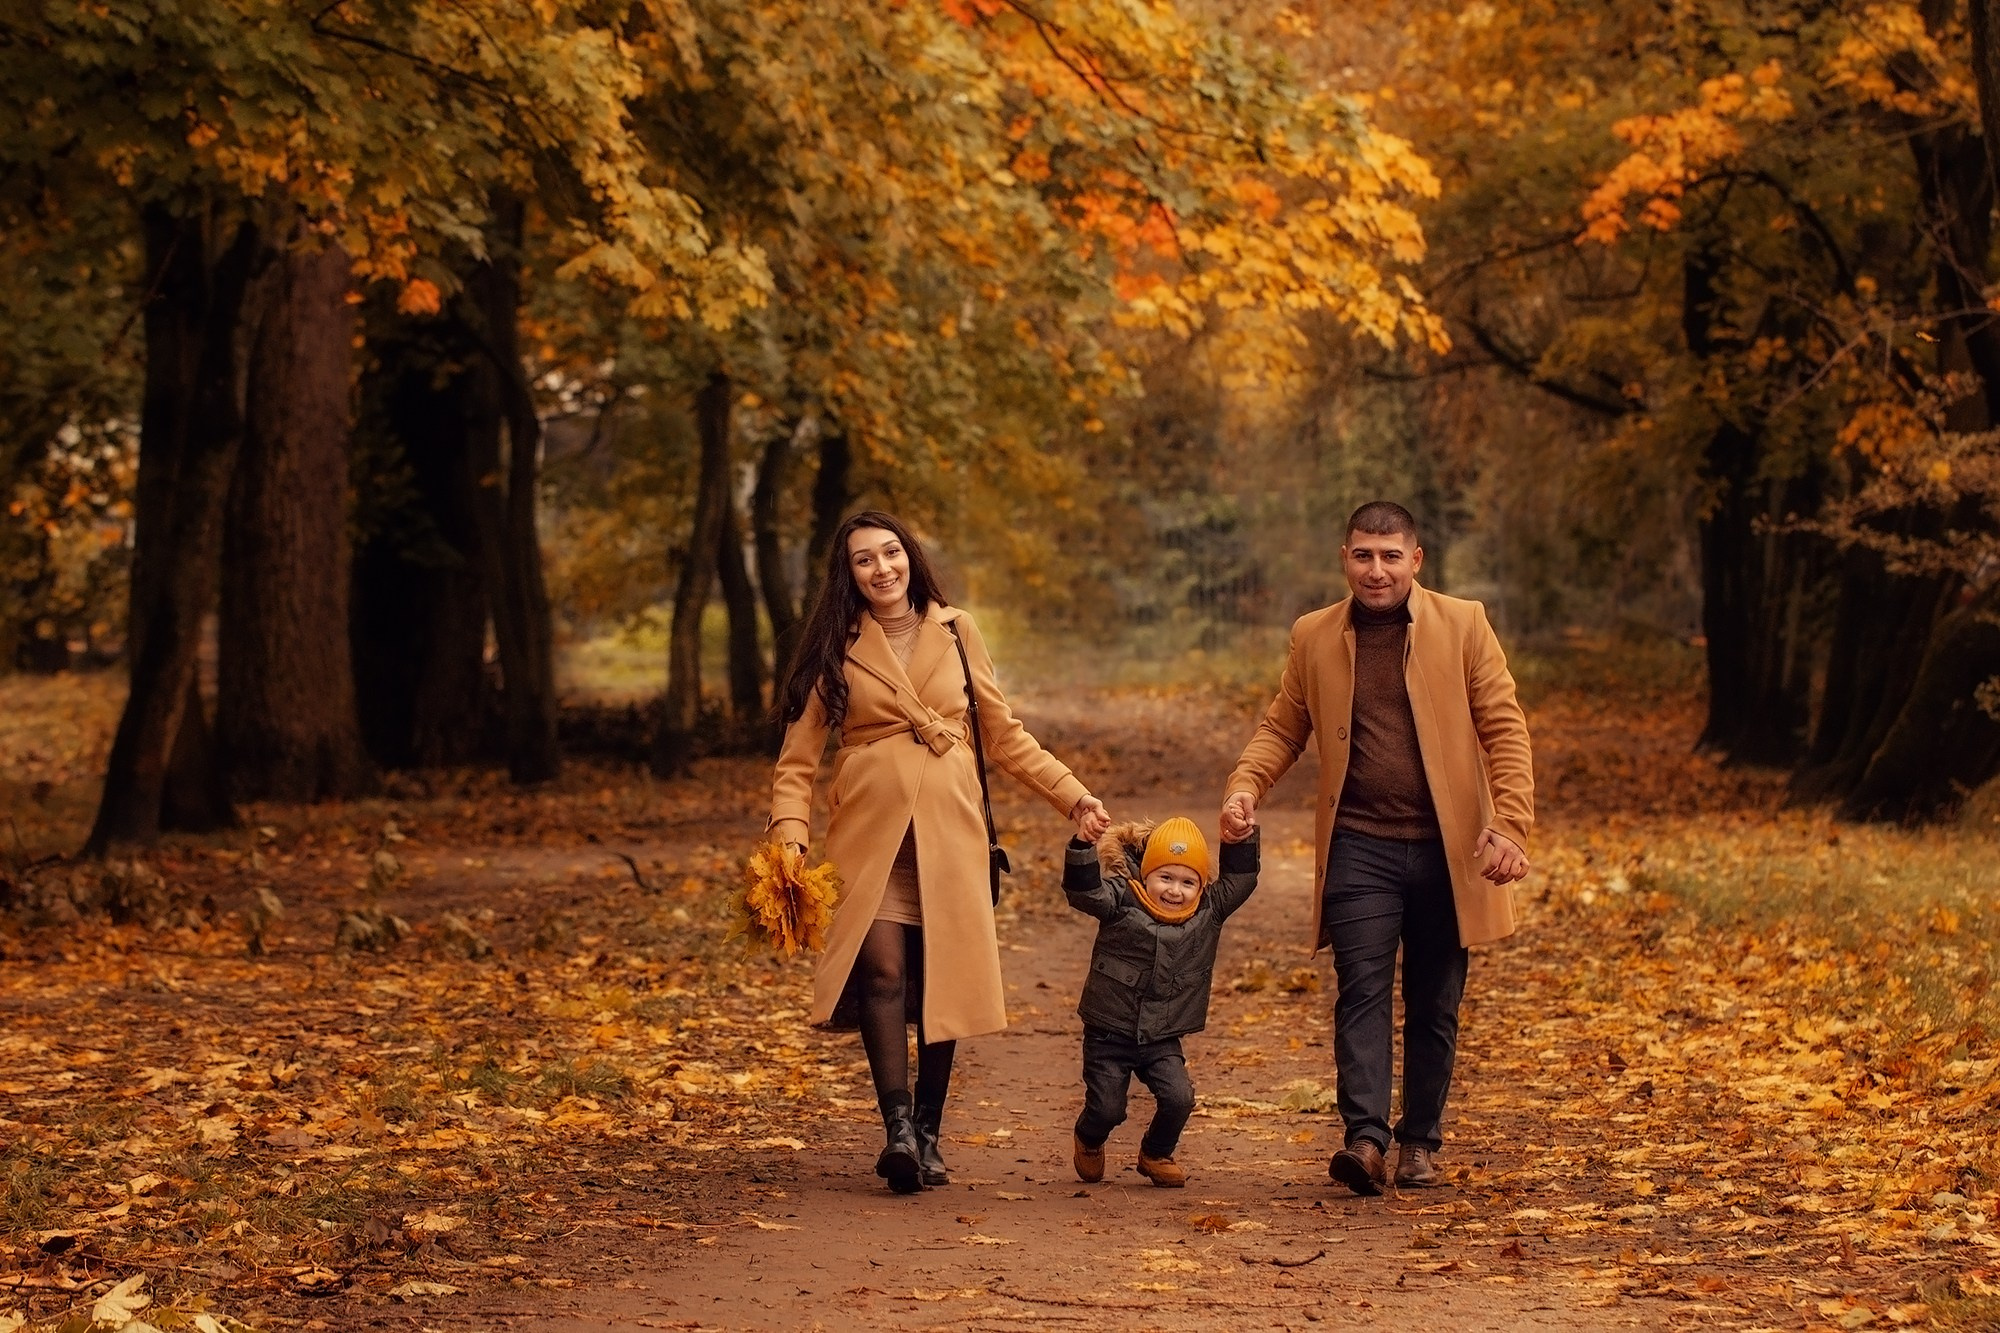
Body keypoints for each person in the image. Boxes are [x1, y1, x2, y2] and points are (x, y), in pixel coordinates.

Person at [769, 510, 1112, 1194]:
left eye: (890, 552)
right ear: (849, 574)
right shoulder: (838, 645)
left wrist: (1072, 796)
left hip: (950, 832)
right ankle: (897, 1130)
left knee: (940, 981)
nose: (882, 568)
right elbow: (797, 760)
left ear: (910, 556)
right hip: (869, 836)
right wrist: (789, 837)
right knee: (883, 973)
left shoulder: (957, 630)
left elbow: (1004, 735)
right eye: (864, 559)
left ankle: (928, 1131)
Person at [1220, 500, 1534, 1196]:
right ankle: (1365, 1139)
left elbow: (1504, 728)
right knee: (1361, 991)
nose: (1377, 570)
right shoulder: (1314, 635)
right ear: (1345, 558)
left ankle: (1420, 1141)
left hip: (1448, 854)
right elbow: (1283, 727)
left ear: (1415, 560)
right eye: (1363, 555)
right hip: (1359, 845)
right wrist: (1245, 785)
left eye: (1391, 556)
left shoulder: (1464, 624)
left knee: (1434, 1002)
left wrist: (1511, 823)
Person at [1061, 817, 1260, 1188]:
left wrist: (1240, 839)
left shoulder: (1209, 910)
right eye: (1165, 877)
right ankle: (1089, 1138)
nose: (1175, 891)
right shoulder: (1122, 897)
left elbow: (1241, 879)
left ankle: (1156, 1152)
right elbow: (1084, 893)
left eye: (1188, 882)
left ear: (1201, 885)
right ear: (1146, 873)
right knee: (1107, 1108)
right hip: (1109, 1031)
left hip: (1162, 1035)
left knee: (1179, 1098)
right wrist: (1082, 847)